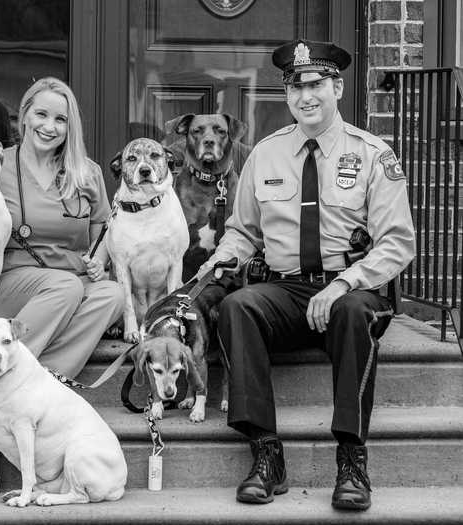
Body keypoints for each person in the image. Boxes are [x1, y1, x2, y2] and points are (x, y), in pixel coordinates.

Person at [197, 40, 415, 510]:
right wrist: (223, 259)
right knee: (237, 307)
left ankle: (352, 460)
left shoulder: (374, 154)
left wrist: (343, 284)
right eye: (295, 86)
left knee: (356, 312)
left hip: (351, 286)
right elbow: (243, 230)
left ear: (337, 87)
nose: (305, 95)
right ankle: (265, 455)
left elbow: (398, 242)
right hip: (287, 288)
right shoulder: (265, 154)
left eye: (316, 84)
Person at [0, 77, 124, 378]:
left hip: (71, 277)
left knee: (112, 294)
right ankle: (6, 371)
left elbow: (103, 227)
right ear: (25, 115)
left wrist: (99, 260)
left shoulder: (87, 172)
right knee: (66, 287)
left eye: (61, 119)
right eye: (42, 115)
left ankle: (46, 378)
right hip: (10, 279)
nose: (50, 126)